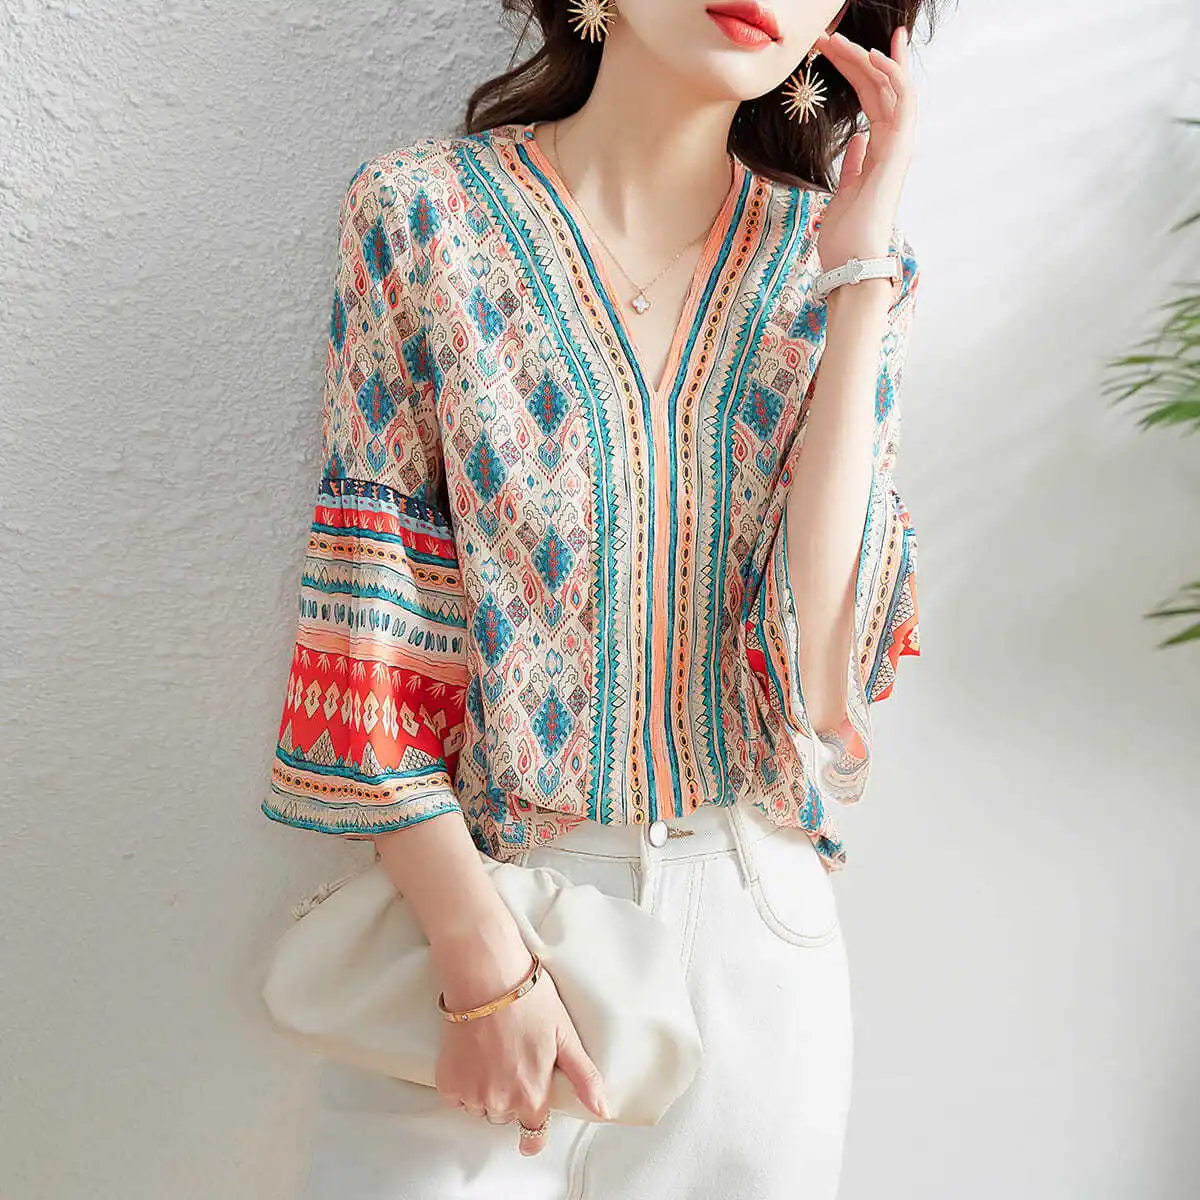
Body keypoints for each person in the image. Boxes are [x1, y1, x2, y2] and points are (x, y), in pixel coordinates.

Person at [263, 1, 935, 1196]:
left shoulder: (837, 267)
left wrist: (859, 274)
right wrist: (484, 967)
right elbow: (368, 641)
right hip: (489, 915)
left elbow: (822, 682)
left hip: (751, 942)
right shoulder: (423, 213)